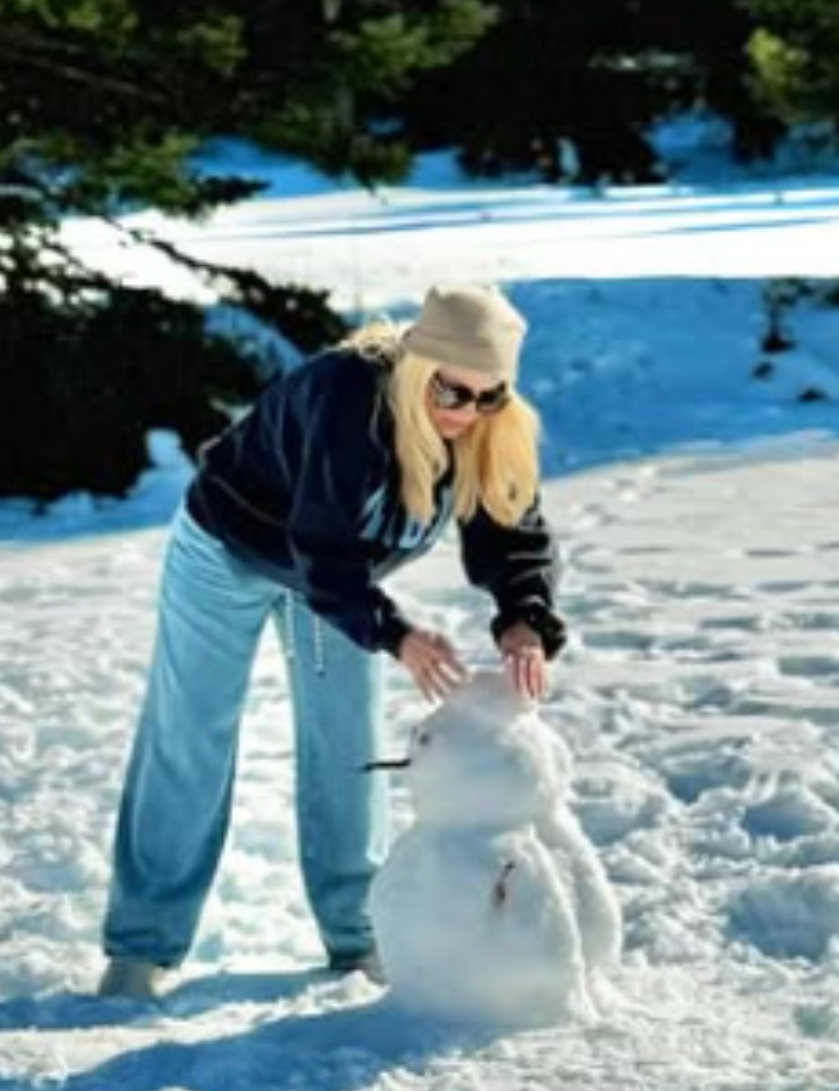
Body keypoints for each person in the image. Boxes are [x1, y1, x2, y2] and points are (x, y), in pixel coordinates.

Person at [97, 284, 568, 999]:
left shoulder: (485, 431)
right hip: (227, 554)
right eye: (451, 390)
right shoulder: (349, 399)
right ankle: (142, 946)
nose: (465, 412)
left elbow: (512, 533)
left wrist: (524, 617)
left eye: (487, 396)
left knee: (345, 741)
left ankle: (356, 937)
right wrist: (396, 634)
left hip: (336, 578)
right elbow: (322, 548)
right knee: (191, 734)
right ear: (417, 366)